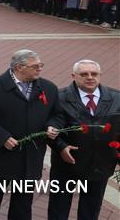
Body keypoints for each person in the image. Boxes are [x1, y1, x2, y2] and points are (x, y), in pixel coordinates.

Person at [0, 49, 59, 220]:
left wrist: (52, 126)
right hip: (0, 156)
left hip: (30, 158)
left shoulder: (49, 88)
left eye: (40, 65)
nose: (40, 69)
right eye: (35, 66)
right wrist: (2, 137)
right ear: (19, 67)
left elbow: (57, 114)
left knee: (23, 204)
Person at [46, 59, 119, 220]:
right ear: (74, 76)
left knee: (91, 209)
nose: (90, 77)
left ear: (100, 75)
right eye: (84, 74)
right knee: (58, 208)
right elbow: (50, 127)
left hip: (100, 164)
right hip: (66, 164)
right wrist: (60, 146)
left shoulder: (116, 98)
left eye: (94, 74)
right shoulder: (59, 97)